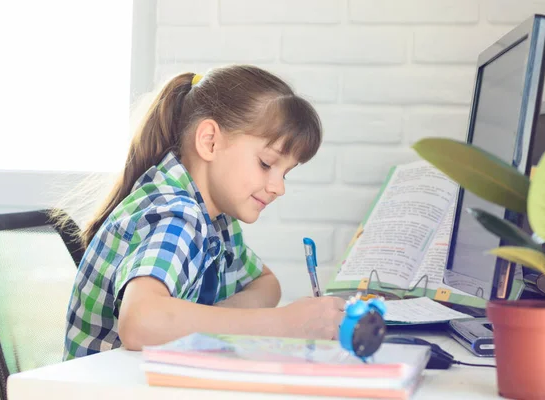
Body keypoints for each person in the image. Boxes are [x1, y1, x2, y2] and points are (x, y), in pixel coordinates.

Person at [63, 64, 346, 360]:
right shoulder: (176, 215)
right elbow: (140, 322)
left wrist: (210, 321)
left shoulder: (218, 221)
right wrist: (282, 324)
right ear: (209, 141)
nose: (279, 188)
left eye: (285, 173)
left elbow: (266, 284)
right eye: (266, 164)